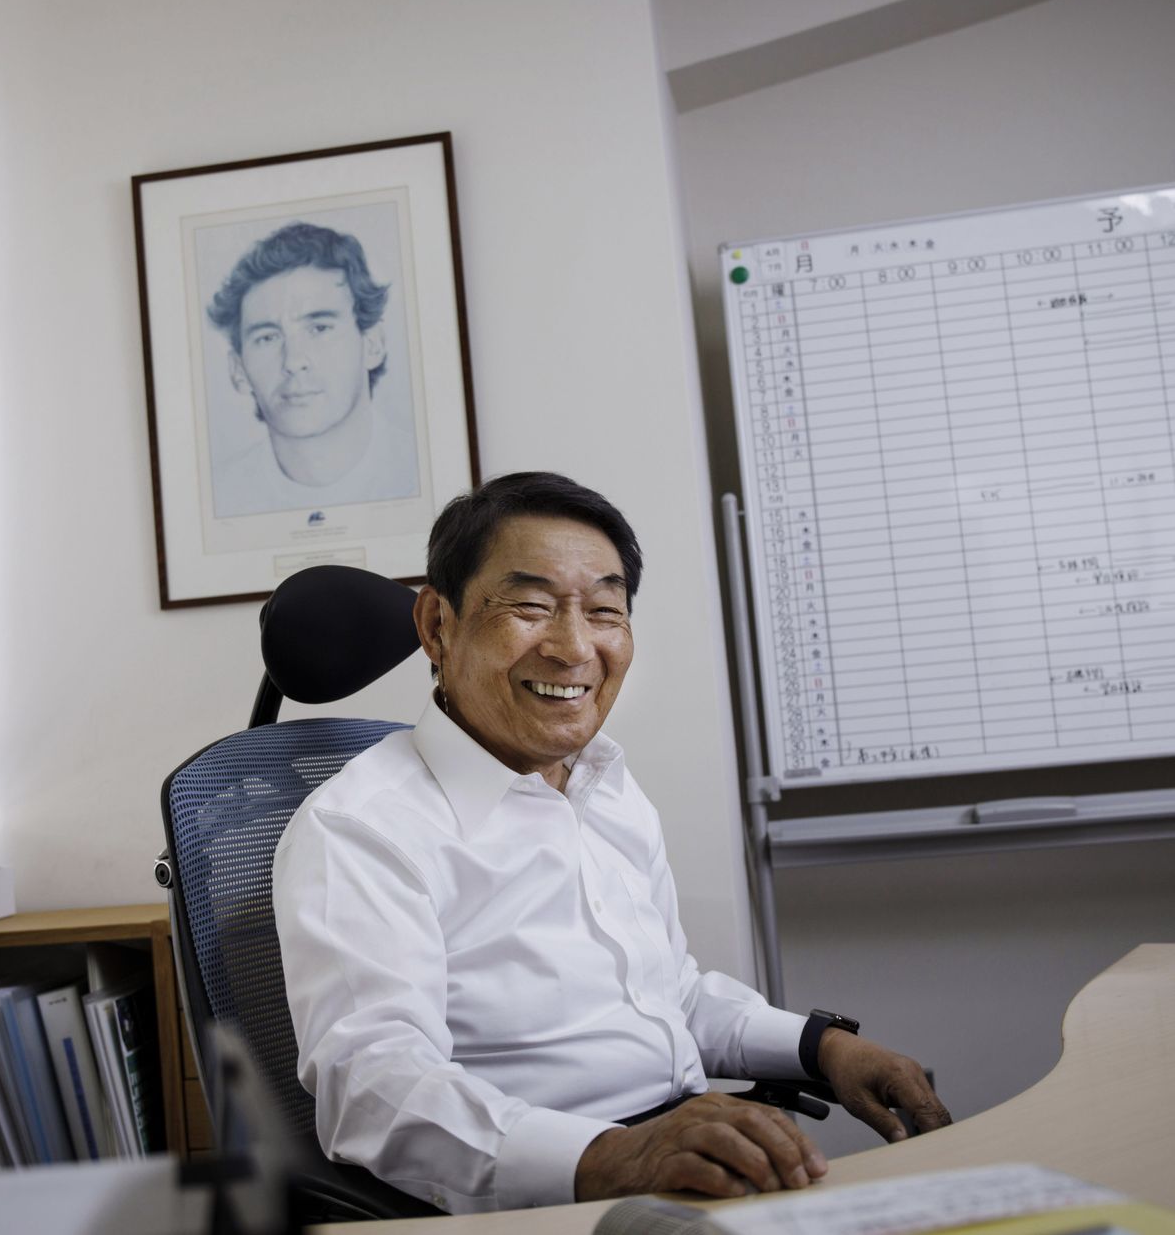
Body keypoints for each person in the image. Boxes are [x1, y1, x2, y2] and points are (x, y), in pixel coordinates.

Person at [273, 472, 951, 1214]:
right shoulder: (361, 827)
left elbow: (670, 994)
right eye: (530, 607)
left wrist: (822, 1047)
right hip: (550, 1196)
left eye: (604, 610)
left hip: (685, 1161)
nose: (573, 648)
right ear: (438, 624)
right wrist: (610, 1158)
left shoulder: (606, 786)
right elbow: (375, 1089)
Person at [206, 221, 418, 516]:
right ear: (238, 370)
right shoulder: (218, 498)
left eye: (319, 327)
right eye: (267, 337)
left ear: (372, 344)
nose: (293, 361)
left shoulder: (418, 471)